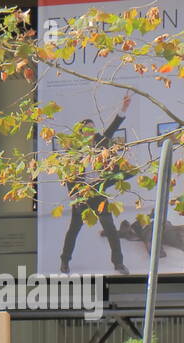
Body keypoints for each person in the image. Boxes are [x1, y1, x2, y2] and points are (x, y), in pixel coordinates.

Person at [60, 94, 132, 275]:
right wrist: (74, 195)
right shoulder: (74, 150)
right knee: (74, 230)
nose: (91, 131)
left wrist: (123, 108)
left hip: (98, 193)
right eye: (87, 128)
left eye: (93, 128)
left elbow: (114, 127)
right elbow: (69, 175)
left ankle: (118, 264)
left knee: (110, 228)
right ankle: (64, 262)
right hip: (82, 194)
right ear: (81, 131)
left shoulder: (101, 142)